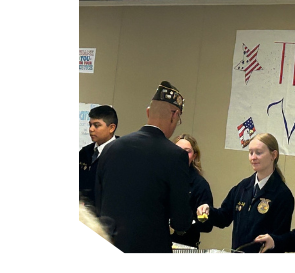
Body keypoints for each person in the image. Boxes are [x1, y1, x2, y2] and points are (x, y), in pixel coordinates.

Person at [95, 82, 192, 253]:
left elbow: (99, 201)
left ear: (148, 112)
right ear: (174, 115)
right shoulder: (175, 156)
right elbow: (181, 221)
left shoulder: (111, 148)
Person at [197, 133, 294, 254]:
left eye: (258, 153)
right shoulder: (243, 187)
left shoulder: (282, 195)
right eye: (250, 152)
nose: (253, 157)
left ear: (273, 155)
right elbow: (224, 218)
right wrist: (208, 210)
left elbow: (280, 240)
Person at [171, 133, 214, 249]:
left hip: (185, 245)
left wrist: (186, 221)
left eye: (187, 151)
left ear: (194, 156)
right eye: (178, 150)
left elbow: (207, 226)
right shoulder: (162, 178)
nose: (182, 155)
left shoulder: (200, 185)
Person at [79, 105, 119, 205]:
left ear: (111, 128)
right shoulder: (85, 152)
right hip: (85, 211)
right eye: (90, 125)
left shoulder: (121, 153)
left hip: (107, 211)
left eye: (96, 125)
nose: (91, 129)